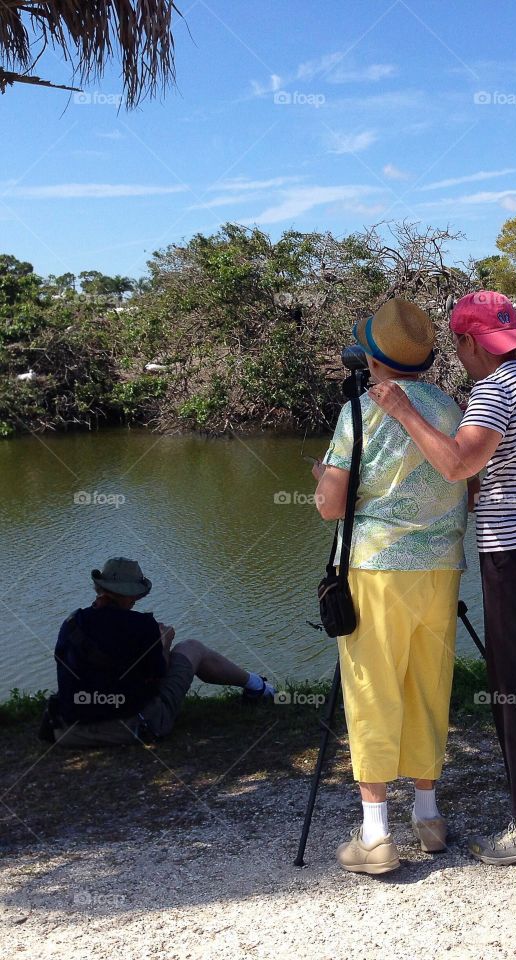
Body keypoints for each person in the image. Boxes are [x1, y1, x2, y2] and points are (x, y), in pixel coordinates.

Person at [369, 290, 516, 869]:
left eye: (461, 345)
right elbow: (503, 468)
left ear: (469, 342)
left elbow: (457, 463)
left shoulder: (494, 391)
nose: (462, 357)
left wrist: (403, 411)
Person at [312, 299, 469, 875]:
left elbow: (331, 507)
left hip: (376, 571)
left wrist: (321, 477)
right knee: (429, 683)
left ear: (371, 359)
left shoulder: (359, 413)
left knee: (373, 688)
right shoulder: (453, 408)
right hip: (440, 569)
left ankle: (376, 835)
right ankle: (427, 817)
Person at [45, 557, 275, 748]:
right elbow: (157, 677)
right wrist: (163, 643)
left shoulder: (72, 622)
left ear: (101, 588)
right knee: (192, 648)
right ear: (131, 594)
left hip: (69, 731)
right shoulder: (142, 625)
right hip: (132, 729)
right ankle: (258, 687)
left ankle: (257, 687)